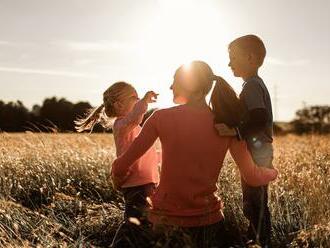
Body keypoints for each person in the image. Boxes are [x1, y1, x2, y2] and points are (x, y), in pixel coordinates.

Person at [111, 61, 278, 247]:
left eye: (174, 81)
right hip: (210, 225)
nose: (170, 86)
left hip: (165, 224)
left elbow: (121, 164)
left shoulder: (160, 118)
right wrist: (273, 172)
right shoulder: (227, 126)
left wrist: (118, 177)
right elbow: (253, 177)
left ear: (190, 85)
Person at [75, 82, 160, 246]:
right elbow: (135, 117)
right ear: (119, 105)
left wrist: (165, 156)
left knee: (144, 224)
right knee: (133, 224)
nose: (137, 100)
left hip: (145, 183)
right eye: (134, 97)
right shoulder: (121, 125)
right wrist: (145, 101)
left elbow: (145, 154)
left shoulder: (132, 127)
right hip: (136, 185)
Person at [215, 34, 274, 247]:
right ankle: (258, 238)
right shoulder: (254, 84)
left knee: (254, 201)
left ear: (250, 58)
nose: (229, 63)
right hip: (260, 150)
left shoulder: (252, 86)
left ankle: (259, 241)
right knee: (256, 200)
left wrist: (234, 131)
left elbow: (259, 118)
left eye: (233, 57)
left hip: (258, 151)